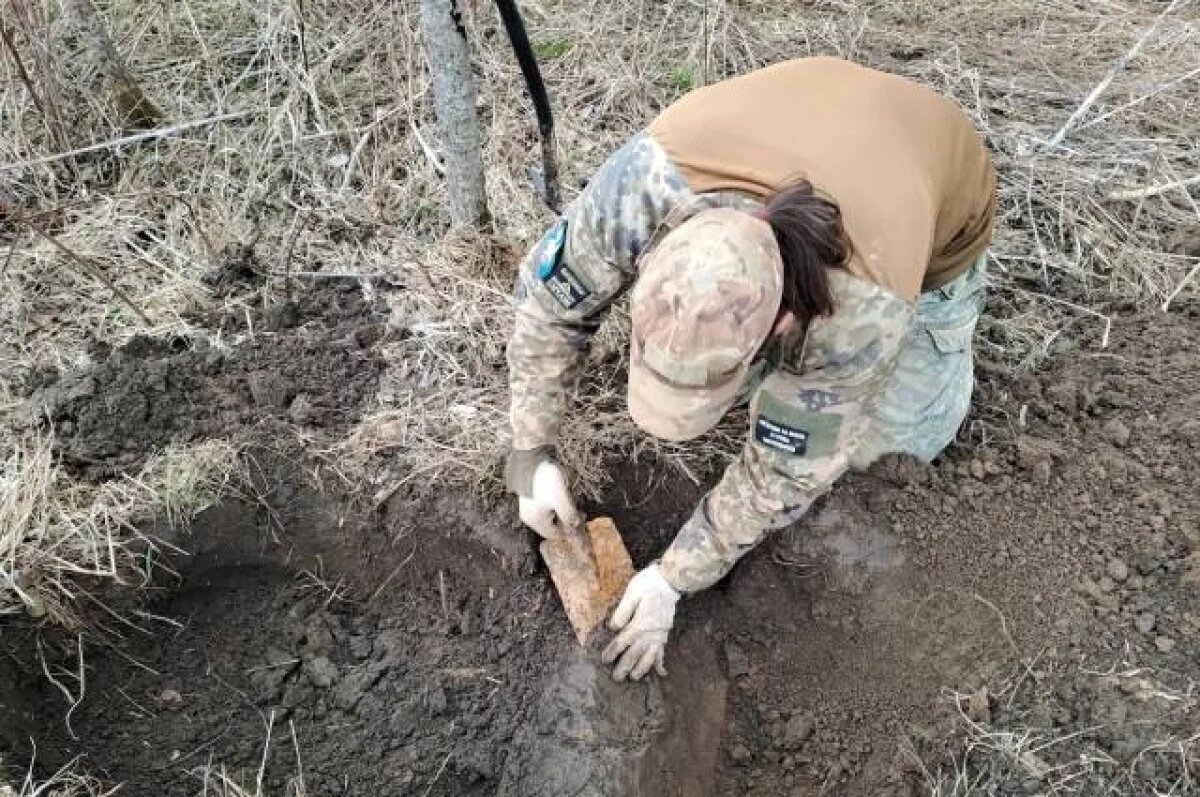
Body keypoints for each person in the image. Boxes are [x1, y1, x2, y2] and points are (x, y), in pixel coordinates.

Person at [504, 56, 996, 681]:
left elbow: (787, 471)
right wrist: (531, 453)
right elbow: (548, 309)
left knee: (885, 452)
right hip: (804, 106)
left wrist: (671, 580)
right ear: (646, 262)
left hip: (935, 198)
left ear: (784, 325)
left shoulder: (863, 308)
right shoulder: (640, 194)